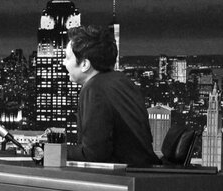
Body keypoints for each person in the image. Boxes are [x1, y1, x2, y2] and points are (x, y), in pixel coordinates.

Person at [63, 24, 158, 166]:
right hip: (143, 172)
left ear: (85, 64)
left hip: (121, 177)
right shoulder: (123, 81)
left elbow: (93, 154)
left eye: (67, 57)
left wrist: (48, 151)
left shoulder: (94, 89)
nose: (63, 62)